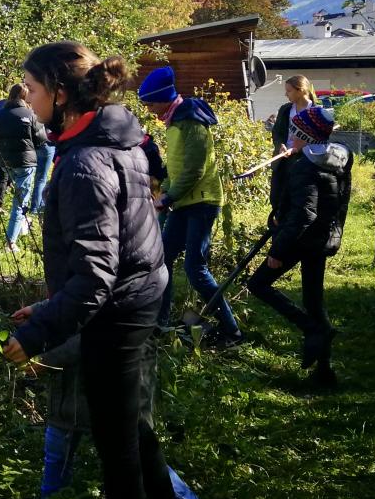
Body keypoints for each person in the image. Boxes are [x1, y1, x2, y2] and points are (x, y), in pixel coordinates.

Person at [3, 41, 203, 499]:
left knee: (115, 442)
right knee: (128, 419)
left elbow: (94, 275)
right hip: (140, 289)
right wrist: (48, 308)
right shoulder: (120, 136)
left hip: (117, 304)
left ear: (60, 94)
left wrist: (37, 333)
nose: (28, 98)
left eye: (34, 89)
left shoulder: (86, 162)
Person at [30, 334, 225, 499]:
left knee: (141, 459)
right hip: (69, 395)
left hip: (120, 387)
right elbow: (68, 308)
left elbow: (95, 327)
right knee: (56, 458)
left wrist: (40, 359)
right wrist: (39, 314)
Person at [247, 105, 351, 393]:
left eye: (294, 132)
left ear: (303, 134)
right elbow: (330, 198)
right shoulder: (338, 157)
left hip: (302, 239)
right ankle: (324, 371)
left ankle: (312, 329)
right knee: (314, 300)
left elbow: (305, 214)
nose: (291, 137)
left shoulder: (304, 167)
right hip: (323, 238)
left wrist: (277, 252)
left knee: (258, 284)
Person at [138, 65, 243, 347]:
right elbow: (175, 168)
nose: (148, 109)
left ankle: (231, 331)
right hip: (183, 202)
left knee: (196, 268)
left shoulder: (191, 122)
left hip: (203, 202)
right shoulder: (173, 123)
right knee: (162, 261)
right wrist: (164, 194)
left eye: (149, 103)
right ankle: (161, 322)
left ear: (163, 99)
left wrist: (168, 198)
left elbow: (194, 170)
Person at [0, 84, 48, 253]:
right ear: (25, 97)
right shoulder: (30, 115)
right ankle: (10, 242)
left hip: (6, 162)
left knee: (18, 198)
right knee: (20, 203)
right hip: (25, 163)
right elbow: (41, 139)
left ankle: (21, 226)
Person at [266, 74, 312, 214]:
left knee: (296, 198)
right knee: (277, 197)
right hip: (282, 159)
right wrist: (280, 145)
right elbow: (277, 133)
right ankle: (277, 229)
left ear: (301, 90)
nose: (286, 94)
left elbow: (318, 138)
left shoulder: (314, 111)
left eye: (289, 91)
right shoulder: (286, 109)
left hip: (303, 161)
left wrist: (299, 148)